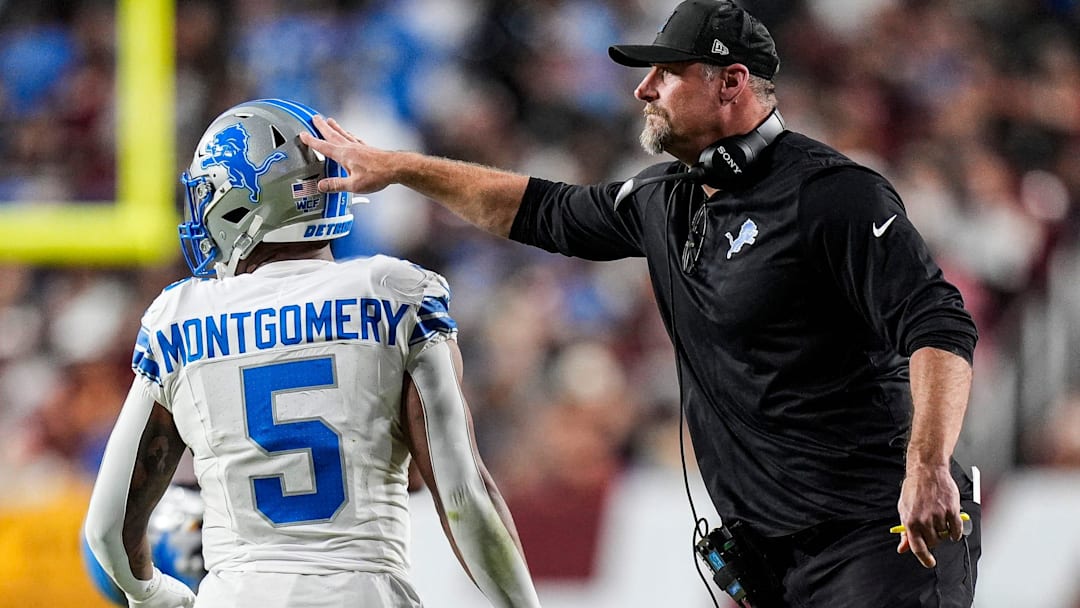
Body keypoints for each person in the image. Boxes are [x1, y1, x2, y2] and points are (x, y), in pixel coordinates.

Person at [299, 1, 982, 606]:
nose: (642, 89)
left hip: (880, 540)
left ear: (731, 82)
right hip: (775, 564)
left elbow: (940, 324)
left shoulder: (834, 195)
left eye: (666, 74)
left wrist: (926, 469)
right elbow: (541, 209)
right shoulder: (666, 199)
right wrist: (403, 168)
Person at [84, 98, 542, 608]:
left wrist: (155, 596)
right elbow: (463, 498)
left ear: (242, 203)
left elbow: (107, 531)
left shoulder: (179, 318)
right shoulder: (392, 292)